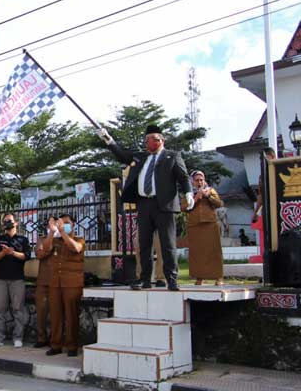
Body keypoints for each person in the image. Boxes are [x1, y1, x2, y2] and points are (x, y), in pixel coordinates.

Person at [97, 124, 194, 291]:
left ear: (162, 140)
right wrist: (109, 140)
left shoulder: (172, 156)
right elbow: (122, 156)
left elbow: (183, 177)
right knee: (144, 245)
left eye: (154, 139)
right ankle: (144, 279)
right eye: (148, 140)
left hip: (164, 204)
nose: (150, 143)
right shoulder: (141, 157)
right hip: (144, 203)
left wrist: (189, 193)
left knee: (168, 244)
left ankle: (171, 279)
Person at [42, 214, 85, 357]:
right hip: (55, 283)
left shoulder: (79, 239)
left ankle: (72, 346)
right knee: (55, 315)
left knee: (71, 315)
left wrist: (62, 233)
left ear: (73, 225)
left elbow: (76, 248)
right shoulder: (55, 240)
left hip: (72, 284)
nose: (64, 225)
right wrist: (51, 231)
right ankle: (56, 345)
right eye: (61, 223)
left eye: (66, 223)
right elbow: (45, 248)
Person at [0, 213, 31, 348]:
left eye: (10, 221)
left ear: (16, 223)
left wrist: (13, 253)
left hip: (17, 279)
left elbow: (26, 256)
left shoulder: (23, 240)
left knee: (18, 309)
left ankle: (18, 337)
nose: (8, 223)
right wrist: (3, 253)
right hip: (1, 279)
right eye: (5, 221)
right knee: (0, 309)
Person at [182, 170, 224, 286]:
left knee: (214, 251)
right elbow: (184, 208)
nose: (199, 182)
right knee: (197, 252)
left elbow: (219, 204)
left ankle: (218, 277)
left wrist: (208, 196)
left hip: (210, 223)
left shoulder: (211, 190)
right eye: (197, 180)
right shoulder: (188, 194)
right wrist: (196, 199)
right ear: (192, 182)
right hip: (194, 225)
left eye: (201, 180)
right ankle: (200, 278)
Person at [34, 233, 51, 348]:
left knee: (56, 313)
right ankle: (41, 338)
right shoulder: (42, 239)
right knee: (41, 312)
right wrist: (49, 249)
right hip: (43, 281)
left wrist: (45, 249)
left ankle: (55, 339)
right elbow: (39, 254)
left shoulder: (62, 239)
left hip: (57, 282)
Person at [252, 147, 277, 223]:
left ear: (272, 156)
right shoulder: (262, 176)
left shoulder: (264, 176)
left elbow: (261, 197)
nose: (261, 161)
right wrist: (256, 213)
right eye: (260, 159)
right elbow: (261, 197)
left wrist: (256, 213)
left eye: (262, 158)